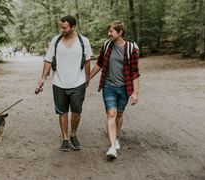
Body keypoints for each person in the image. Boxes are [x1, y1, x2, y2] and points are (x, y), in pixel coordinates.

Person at [35, 15, 93, 152]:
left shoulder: (83, 41)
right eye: (61, 27)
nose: (62, 30)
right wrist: (43, 78)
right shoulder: (56, 41)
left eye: (65, 27)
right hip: (59, 83)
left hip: (78, 83)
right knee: (62, 112)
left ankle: (73, 134)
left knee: (76, 111)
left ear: (73, 27)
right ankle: (65, 139)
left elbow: (87, 61)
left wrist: (87, 78)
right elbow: (48, 60)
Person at [90, 20, 140, 159]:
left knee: (119, 114)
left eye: (111, 31)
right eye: (109, 31)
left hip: (124, 87)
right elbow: (99, 64)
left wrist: (135, 93)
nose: (109, 34)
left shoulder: (131, 49)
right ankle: (112, 147)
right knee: (111, 114)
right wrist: (87, 79)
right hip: (109, 86)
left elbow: (135, 72)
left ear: (120, 32)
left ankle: (115, 137)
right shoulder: (107, 46)